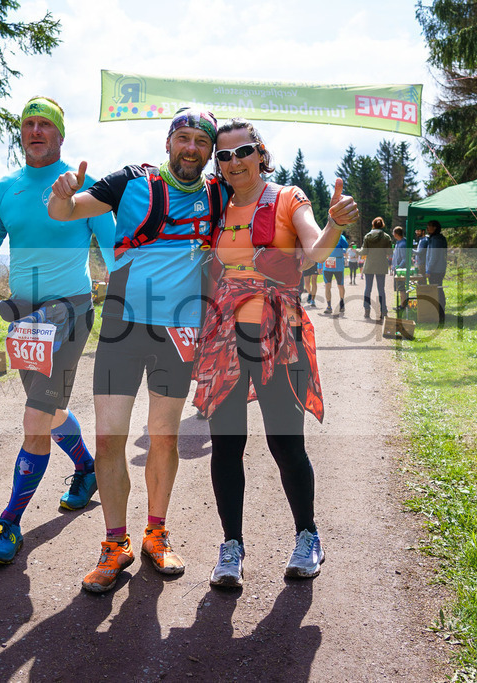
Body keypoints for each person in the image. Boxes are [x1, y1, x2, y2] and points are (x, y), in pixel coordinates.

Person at [48, 107, 228, 593]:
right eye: (184, 137)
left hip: (178, 334)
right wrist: (61, 194)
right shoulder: (131, 181)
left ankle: (155, 532)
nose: (191, 148)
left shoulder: (219, 192)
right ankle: (114, 544)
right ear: (169, 142)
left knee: (164, 438)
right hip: (122, 329)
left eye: (201, 141)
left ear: (211, 151)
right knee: (109, 440)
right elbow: (66, 211)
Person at [191, 118, 358, 588]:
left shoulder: (287, 198)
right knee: (226, 445)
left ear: (261, 153)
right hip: (225, 336)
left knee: (285, 443)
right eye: (223, 156)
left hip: (279, 335)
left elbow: (315, 249)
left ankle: (308, 535)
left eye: (242, 151)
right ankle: (231, 547)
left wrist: (332, 223)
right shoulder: (216, 206)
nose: (233, 162)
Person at [0, 96, 116, 565]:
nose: (37, 131)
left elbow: (113, 247)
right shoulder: (5, 190)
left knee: (34, 416)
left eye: (46, 124)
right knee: (47, 410)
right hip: (24, 317)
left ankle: (9, 522)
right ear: (21, 134)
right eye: (29, 124)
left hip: (71, 312)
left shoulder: (85, 186)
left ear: (61, 135)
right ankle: (85, 469)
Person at [359, 217, 392, 319]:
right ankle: (383, 311)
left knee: (367, 289)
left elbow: (363, 252)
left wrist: (356, 251)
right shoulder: (386, 237)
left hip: (369, 266)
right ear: (382, 225)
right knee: (381, 289)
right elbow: (390, 253)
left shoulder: (368, 236)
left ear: (373, 224)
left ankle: (367, 310)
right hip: (381, 265)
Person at [424, 220, 448, 323]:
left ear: (435, 228)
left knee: (436, 290)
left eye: (429, 226)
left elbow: (434, 256)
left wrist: (429, 269)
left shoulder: (436, 240)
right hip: (439, 269)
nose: (427, 228)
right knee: (438, 289)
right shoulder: (438, 238)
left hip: (435, 270)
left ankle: (439, 313)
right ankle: (439, 312)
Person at [322, 232, 349, 315]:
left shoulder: (340, 237)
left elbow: (346, 245)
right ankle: (329, 306)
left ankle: (342, 303)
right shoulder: (325, 236)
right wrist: (319, 265)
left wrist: (339, 236)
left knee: (340, 286)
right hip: (327, 266)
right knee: (327, 286)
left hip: (338, 266)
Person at [391, 226, 409, 311]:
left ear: (396, 234)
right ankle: (402, 304)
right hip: (398, 269)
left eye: (393, 233)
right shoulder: (399, 243)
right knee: (399, 288)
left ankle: (403, 306)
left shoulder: (403, 244)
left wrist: (398, 267)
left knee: (401, 288)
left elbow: (404, 258)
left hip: (401, 271)